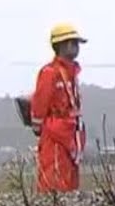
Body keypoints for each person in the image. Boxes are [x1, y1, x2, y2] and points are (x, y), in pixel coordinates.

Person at [30, 23, 87, 193]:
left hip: (71, 132)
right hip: (55, 133)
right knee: (53, 178)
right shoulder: (49, 72)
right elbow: (40, 103)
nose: (77, 48)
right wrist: (39, 126)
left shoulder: (72, 73)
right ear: (62, 45)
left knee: (70, 179)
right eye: (73, 43)